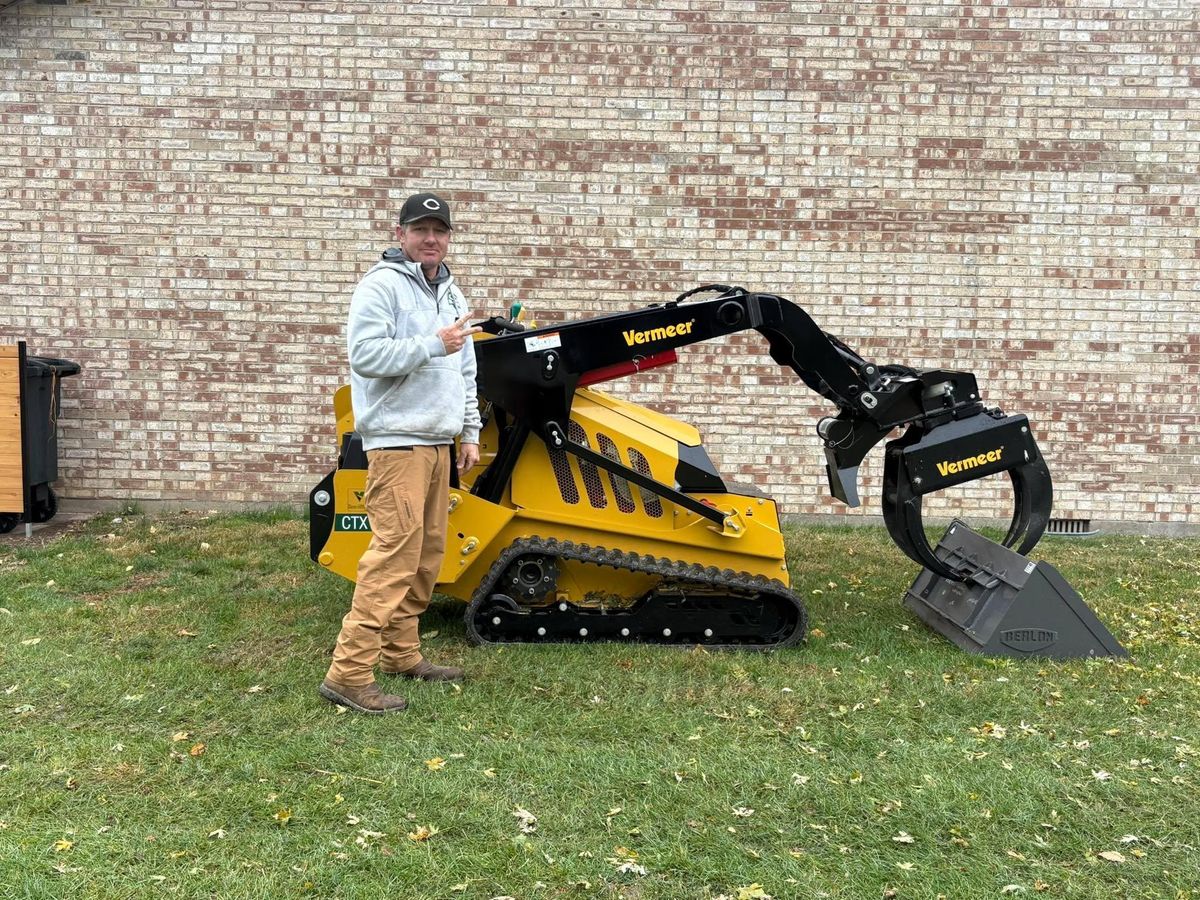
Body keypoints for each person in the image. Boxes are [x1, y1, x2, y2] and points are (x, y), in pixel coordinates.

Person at [319, 192, 482, 714]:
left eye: (439, 230)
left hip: (438, 443)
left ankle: (401, 653)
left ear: (449, 237)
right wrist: (434, 343)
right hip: (396, 442)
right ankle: (348, 673)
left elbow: (466, 371)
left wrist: (470, 430)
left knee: (427, 554)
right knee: (392, 556)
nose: (430, 238)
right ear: (401, 233)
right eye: (420, 229)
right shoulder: (381, 286)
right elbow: (365, 357)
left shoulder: (452, 294)